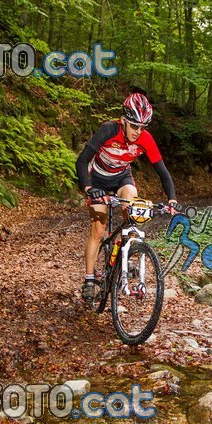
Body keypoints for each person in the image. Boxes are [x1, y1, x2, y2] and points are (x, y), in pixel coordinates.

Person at [76, 91, 179, 302]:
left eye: (142, 127)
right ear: (123, 121)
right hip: (97, 180)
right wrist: (88, 188)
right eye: (134, 126)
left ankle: (126, 251)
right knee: (98, 229)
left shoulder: (145, 139)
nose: (137, 132)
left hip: (122, 179)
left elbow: (163, 172)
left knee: (133, 209)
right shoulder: (108, 130)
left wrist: (172, 200)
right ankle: (88, 279)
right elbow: (81, 160)